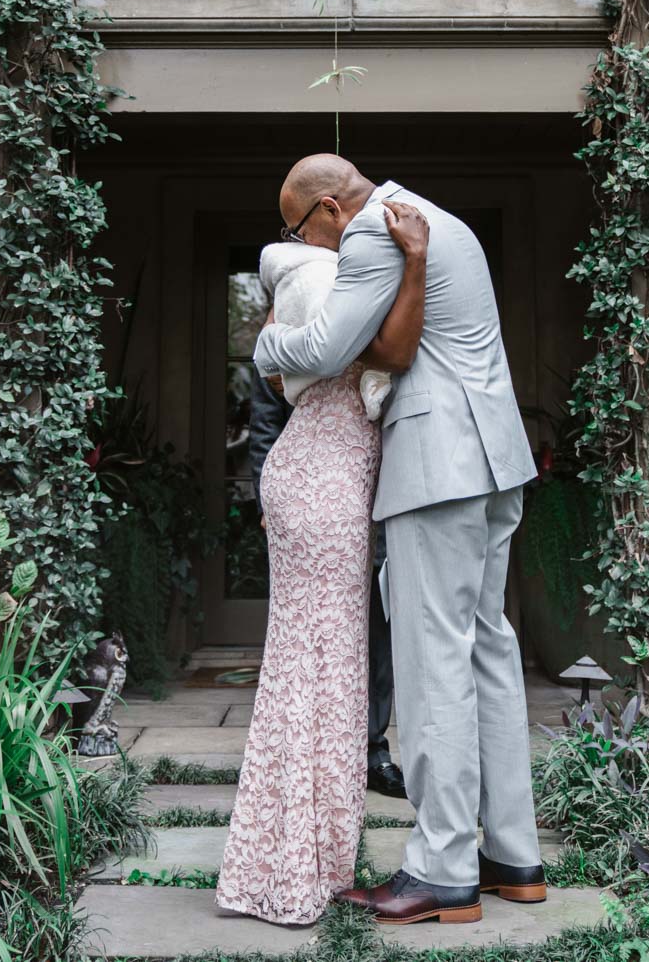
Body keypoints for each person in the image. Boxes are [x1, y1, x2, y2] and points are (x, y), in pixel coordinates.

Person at [253, 155, 544, 928]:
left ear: (322, 209)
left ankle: (441, 868)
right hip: (493, 459)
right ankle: (513, 855)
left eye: (296, 227)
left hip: (436, 463)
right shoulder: (439, 219)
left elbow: (322, 351)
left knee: (431, 658)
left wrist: (265, 347)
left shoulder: (372, 236)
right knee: (486, 646)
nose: (304, 242)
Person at [215, 201, 429, 927]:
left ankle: (302, 855)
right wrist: (416, 266)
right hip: (321, 476)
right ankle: (290, 867)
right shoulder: (318, 283)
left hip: (324, 472)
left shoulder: (321, 288)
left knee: (324, 666)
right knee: (314, 667)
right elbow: (377, 357)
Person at [248, 369, 405, 800]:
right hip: (305, 506)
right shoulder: (283, 334)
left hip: (369, 495)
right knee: (305, 640)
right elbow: (265, 421)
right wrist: (266, 503)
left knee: (374, 632)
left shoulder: (370, 319)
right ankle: (305, 756)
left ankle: (373, 751)